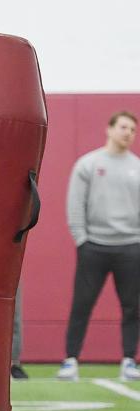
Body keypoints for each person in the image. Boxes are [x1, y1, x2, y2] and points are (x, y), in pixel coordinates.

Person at [59, 110, 140, 381]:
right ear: (110, 129)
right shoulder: (88, 164)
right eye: (123, 127)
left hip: (131, 247)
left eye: (132, 129)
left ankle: (129, 361)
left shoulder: (137, 167)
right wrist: (82, 240)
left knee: (133, 307)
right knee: (81, 305)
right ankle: (70, 361)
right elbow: (75, 205)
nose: (128, 133)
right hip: (93, 246)